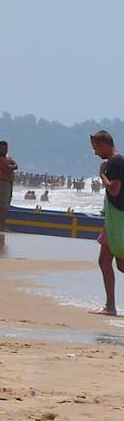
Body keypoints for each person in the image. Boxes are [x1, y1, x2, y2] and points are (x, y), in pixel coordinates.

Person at [90, 130, 124, 315]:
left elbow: (114, 190)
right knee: (107, 262)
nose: (95, 152)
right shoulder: (116, 161)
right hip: (114, 220)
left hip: (118, 222)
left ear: (104, 144)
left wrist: (102, 174)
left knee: (114, 263)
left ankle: (110, 307)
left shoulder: (115, 162)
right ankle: (109, 306)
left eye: (96, 148)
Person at [0, 140, 18, 233]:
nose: (4, 150)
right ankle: (1, 226)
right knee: (2, 206)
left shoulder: (8, 157)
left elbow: (16, 165)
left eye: (5, 148)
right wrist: (12, 166)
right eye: (2, 148)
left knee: (6, 206)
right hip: (3, 183)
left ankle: (3, 226)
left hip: (9, 183)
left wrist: (12, 166)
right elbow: (9, 167)